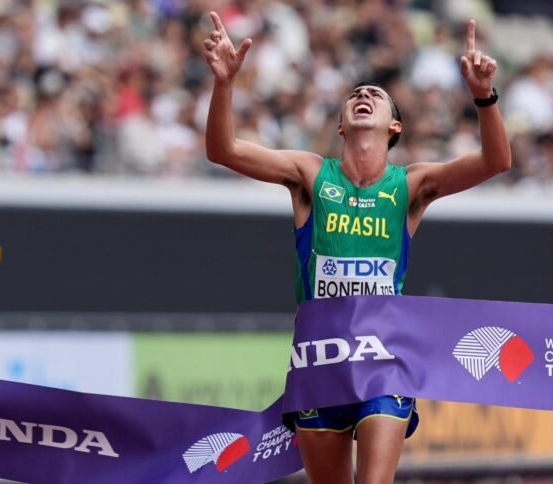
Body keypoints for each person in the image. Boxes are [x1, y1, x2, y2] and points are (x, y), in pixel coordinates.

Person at [202, 11, 510, 484]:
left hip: (383, 357)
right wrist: (224, 84)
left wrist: (483, 97)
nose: (364, 96)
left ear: (395, 128)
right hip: (319, 359)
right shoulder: (310, 175)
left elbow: (496, 161)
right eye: (355, 95)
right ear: (342, 127)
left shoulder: (410, 185)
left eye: (376, 96)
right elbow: (223, 150)